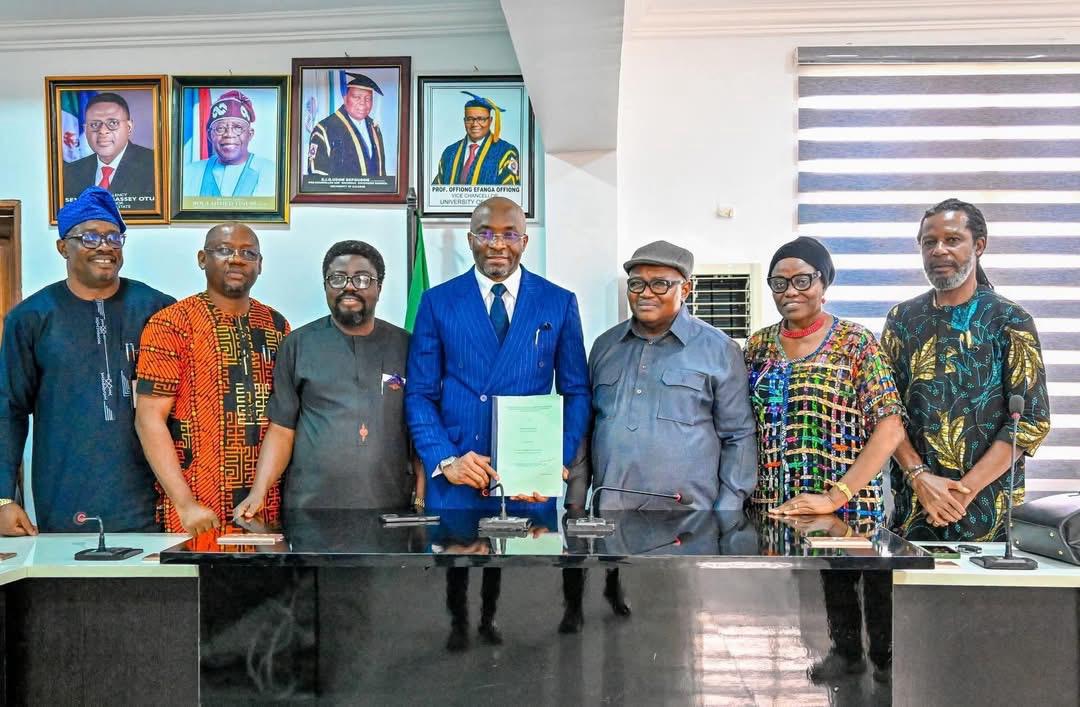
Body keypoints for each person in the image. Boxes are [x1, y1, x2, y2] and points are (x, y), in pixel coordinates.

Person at [405, 195, 590, 646]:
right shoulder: (438, 302)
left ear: (525, 240)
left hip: (526, 479)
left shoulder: (558, 303)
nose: (497, 245)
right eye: (486, 233)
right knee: (455, 587)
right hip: (459, 477)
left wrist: (557, 457)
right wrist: (444, 458)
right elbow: (419, 394)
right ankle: (458, 644)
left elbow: (577, 391)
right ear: (471, 239)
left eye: (509, 234)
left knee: (522, 598)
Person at [744, 236, 905, 684]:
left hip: (848, 499)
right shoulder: (757, 347)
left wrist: (837, 495)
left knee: (867, 581)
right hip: (781, 502)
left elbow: (890, 426)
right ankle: (846, 654)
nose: (790, 290)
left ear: (824, 282)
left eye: (802, 279)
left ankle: (887, 666)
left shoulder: (856, 343)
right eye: (780, 282)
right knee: (827, 585)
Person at [0, 187, 174, 535]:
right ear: (63, 247)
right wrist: (4, 498)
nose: (105, 246)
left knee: (160, 589)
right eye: (90, 237)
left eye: (114, 237)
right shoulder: (31, 318)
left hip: (153, 495)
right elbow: (9, 409)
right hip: (66, 496)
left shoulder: (158, 310)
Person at [882, 198, 1051, 541]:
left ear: (979, 245)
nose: (939, 250)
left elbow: (1031, 421)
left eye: (952, 240)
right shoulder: (902, 320)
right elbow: (886, 412)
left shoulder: (1010, 321)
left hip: (989, 516)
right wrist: (919, 478)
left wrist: (963, 492)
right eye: (929, 242)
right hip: (914, 508)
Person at [234, 241, 419, 517]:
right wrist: (258, 492)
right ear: (325, 286)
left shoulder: (407, 346)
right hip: (311, 507)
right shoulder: (298, 344)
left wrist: (423, 498)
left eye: (362, 278)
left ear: (379, 287)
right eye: (337, 278)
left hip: (391, 506)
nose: (350, 286)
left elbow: (420, 427)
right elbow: (282, 429)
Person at [135, 222, 289, 535]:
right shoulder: (170, 324)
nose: (236, 259)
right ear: (202, 259)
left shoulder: (277, 326)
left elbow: (284, 420)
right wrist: (184, 502)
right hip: (196, 507)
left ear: (260, 265)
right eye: (224, 250)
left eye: (248, 253)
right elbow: (148, 420)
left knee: (268, 584)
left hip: (266, 504)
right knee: (197, 584)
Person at [588, 240, 757, 511]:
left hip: (690, 521)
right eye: (636, 284)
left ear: (686, 289)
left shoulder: (720, 349)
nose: (645, 293)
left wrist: (727, 511)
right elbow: (589, 428)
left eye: (659, 284)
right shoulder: (605, 346)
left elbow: (739, 436)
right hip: (610, 517)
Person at [63, 93, 155, 205]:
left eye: (113, 123)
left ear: (129, 127)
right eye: (94, 124)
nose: (102, 130)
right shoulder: (69, 172)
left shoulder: (156, 166)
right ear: (85, 130)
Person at [182, 90, 276, 198]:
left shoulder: (272, 172)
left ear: (250, 134)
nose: (229, 134)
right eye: (220, 128)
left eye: (238, 128)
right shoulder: (188, 173)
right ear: (209, 135)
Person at [307, 73, 386, 179]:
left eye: (368, 99)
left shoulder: (374, 128)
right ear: (345, 98)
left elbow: (382, 175)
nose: (363, 103)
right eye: (357, 97)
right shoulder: (324, 129)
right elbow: (316, 178)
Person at [432, 92, 520, 186]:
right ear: (464, 121)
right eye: (470, 119)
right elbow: (437, 191)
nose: (475, 124)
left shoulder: (506, 152)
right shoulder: (449, 152)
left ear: (490, 121)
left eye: (481, 119)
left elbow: (508, 195)